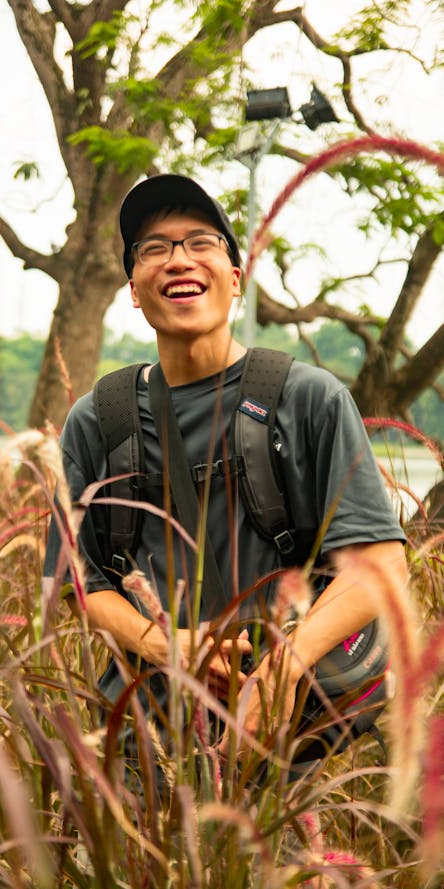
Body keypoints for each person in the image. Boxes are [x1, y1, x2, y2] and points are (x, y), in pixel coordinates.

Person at [43, 173, 407, 768]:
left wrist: (281, 670)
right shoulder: (99, 417)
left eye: (201, 242)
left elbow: (378, 566)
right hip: (141, 746)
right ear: (134, 288)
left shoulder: (306, 397)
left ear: (234, 280)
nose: (178, 259)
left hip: (279, 744)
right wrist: (166, 645)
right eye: (154, 248)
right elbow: (76, 583)